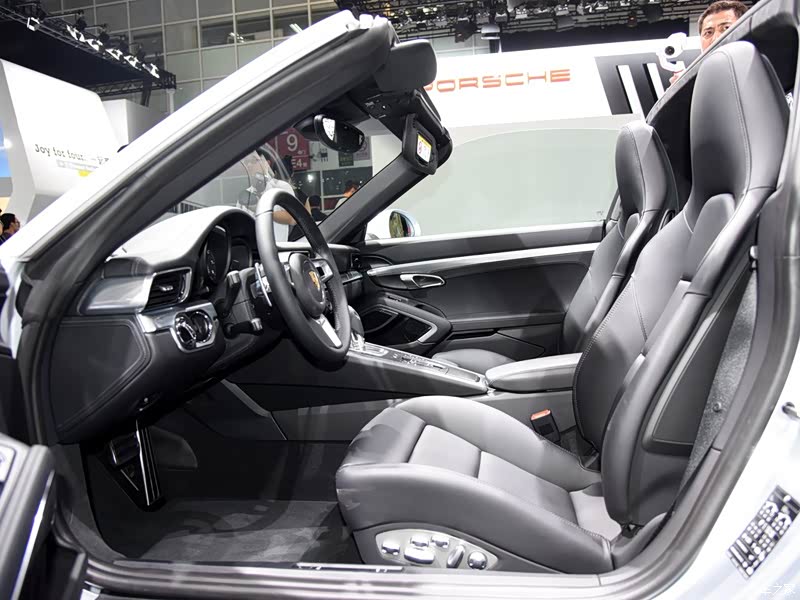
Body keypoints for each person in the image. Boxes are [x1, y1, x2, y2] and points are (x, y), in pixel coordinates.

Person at [669, 1, 747, 85]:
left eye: (726, 28)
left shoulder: (755, 74)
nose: (716, 38)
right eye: (708, 32)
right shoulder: (697, 84)